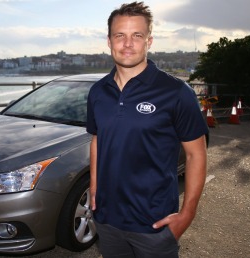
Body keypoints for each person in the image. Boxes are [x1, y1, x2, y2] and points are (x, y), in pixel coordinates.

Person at [86, 2, 209, 257]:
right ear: (109, 41)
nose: (127, 43)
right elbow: (97, 140)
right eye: (120, 35)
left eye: (137, 36)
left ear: (149, 41)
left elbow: (196, 155)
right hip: (107, 221)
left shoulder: (176, 92)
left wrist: (187, 214)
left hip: (154, 224)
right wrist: (95, 188)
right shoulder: (98, 92)